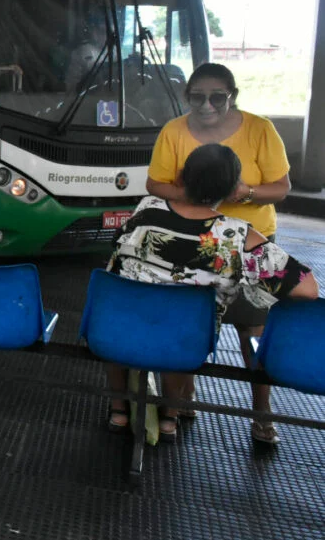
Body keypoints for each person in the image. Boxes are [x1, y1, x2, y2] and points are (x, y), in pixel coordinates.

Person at [109, 143, 317, 444]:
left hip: (114, 330)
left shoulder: (146, 209)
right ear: (234, 189)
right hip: (185, 342)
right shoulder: (236, 237)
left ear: (181, 178)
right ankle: (170, 416)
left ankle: (118, 409)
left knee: (131, 309)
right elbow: (308, 289)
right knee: (183, 325)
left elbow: (118, 249)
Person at [146, 62, 293, 440]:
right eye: (197, 97)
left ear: (233, 96)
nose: (206, 105)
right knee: (184, 323)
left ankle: (262, 412)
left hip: (251, 243)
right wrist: (201, 198)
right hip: (193, 239)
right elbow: (156, 183)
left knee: (253, 328)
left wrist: (247, 194)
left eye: (217, 97)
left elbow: (281, 186)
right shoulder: (174, 131)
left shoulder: (261, 130)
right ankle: (176, 403)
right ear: (186, 97)